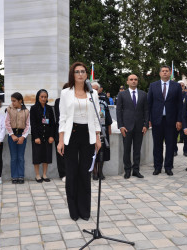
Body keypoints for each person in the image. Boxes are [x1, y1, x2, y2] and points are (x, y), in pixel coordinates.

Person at [57, 62, 101, 221]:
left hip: (87, 135)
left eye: (83, 71)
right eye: (77, 72)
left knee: (85, 173)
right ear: (73, 74)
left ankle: (84, 210)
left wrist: (97, 137)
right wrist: (60, 140)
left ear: (86, 75)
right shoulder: (65, 93)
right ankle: (73, 211)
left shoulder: (93, 94)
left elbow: (96, 116)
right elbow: (62, 118)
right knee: (72, 172)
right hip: (71, 134)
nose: (80, 74)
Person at [148, 65, 183, 176]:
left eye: (167, 71)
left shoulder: (176, 86)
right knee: (157, 145)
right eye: (162, 71)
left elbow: (180, 105)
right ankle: (157, 167)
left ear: (170, 73)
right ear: (159, 73)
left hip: (171, 120)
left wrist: (179, 120)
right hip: (157, 120)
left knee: (170, 144)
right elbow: (149, 103)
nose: (164, 73)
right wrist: (148, 119)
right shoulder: (153, 86)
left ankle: (168, 167)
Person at [116, 74, 148, 179]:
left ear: (137, 81)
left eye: (135, 79)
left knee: (137, 150)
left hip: (139, 127)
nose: (133, 81)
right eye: (131, 79)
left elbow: (146, 111)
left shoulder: (143, 94)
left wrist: (145, 125)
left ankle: (136, 170)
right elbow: (118, 111)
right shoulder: (122, 95)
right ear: (127, 82)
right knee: (126, 150)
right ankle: (127, 170)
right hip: (126, 127)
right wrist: (121, 126)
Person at [30, 89, 56, 183]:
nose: (44, 98)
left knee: (47, 156)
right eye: (42, 97)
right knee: (37, 156)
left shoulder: (49, 108)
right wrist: (36, 137)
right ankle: (37, 175)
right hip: (38, 137)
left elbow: (53, 123)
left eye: (45, 97)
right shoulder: (33, 108)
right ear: (38, 97)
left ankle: (44, 174)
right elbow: (33, 124)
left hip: (48, 136)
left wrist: (52, 136)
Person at [5, 92, 30, 184]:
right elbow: (7, 123)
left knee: (20, 157)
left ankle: (21, 176)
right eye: (12, 101)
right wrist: (12, 134)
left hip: (22, 136)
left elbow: (28, 125)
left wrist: (23, 137)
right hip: (12, 136)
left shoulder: (26, 111)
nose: (13, 103)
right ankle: (14, 176)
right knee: (14, 157)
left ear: (20, 101)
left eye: (14, 101)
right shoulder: (8, 109)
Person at [92, 82, 112, 180]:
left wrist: (109, 128)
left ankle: (100, 171)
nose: (95, 91)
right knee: (93, 151)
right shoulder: (87, 100)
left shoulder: (104, 100)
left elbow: (107, 115)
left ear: (100, 90)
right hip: (91, 130)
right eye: (93, 89)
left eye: (96, 89)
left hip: (103, 129)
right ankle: (94, 172)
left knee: (103, 151)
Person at [54, 83, 68, 182]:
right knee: (61, 153)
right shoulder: (58, 101)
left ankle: (71, 173)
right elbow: (59, 116)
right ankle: (63, 174)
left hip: (72, 130)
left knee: (71, 154)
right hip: (61, 130)